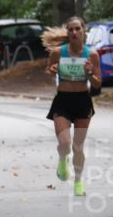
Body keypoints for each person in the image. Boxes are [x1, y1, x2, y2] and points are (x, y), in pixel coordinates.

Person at [43, 16, 101, 196]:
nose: (74, 32)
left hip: (83, 101)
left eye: (78, 29)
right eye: (71, 29)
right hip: (63, 101)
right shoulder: (58, 53)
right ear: (67, 32)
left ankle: (77, 182)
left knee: (77, 147)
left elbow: (98, 84)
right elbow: (48, 69)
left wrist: (90, 73)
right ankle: (62, 158)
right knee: (65, 143)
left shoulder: (92, 55)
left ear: (84, 31)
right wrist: (51, 71)